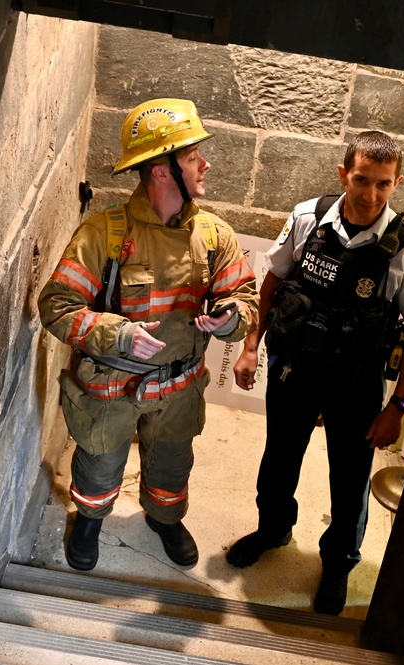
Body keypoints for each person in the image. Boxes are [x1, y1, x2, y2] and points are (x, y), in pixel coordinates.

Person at [38, 98, 259, 572]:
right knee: (98, 463)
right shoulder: (104, 233)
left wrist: (230, 320)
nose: (206, 163)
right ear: (162, 170)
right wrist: (117, 334)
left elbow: (245, 298)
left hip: (179, 387)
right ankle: (92, 519)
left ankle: (164, 518)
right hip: (112, 387)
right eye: (193, 155)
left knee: (172, 464)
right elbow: (56, 306)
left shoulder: (215, 236)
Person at [227, 130, 404, 614]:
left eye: (384, 184)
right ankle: (273, 528)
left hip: (356, 383)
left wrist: (398, 407)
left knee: (350, 479)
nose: (371, 195)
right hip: (295, 366)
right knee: (279, 458)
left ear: (397, 183)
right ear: (343, 173)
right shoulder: (308, 218)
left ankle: (339, 562)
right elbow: (274, 280)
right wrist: (251, 344)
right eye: (362, 180)